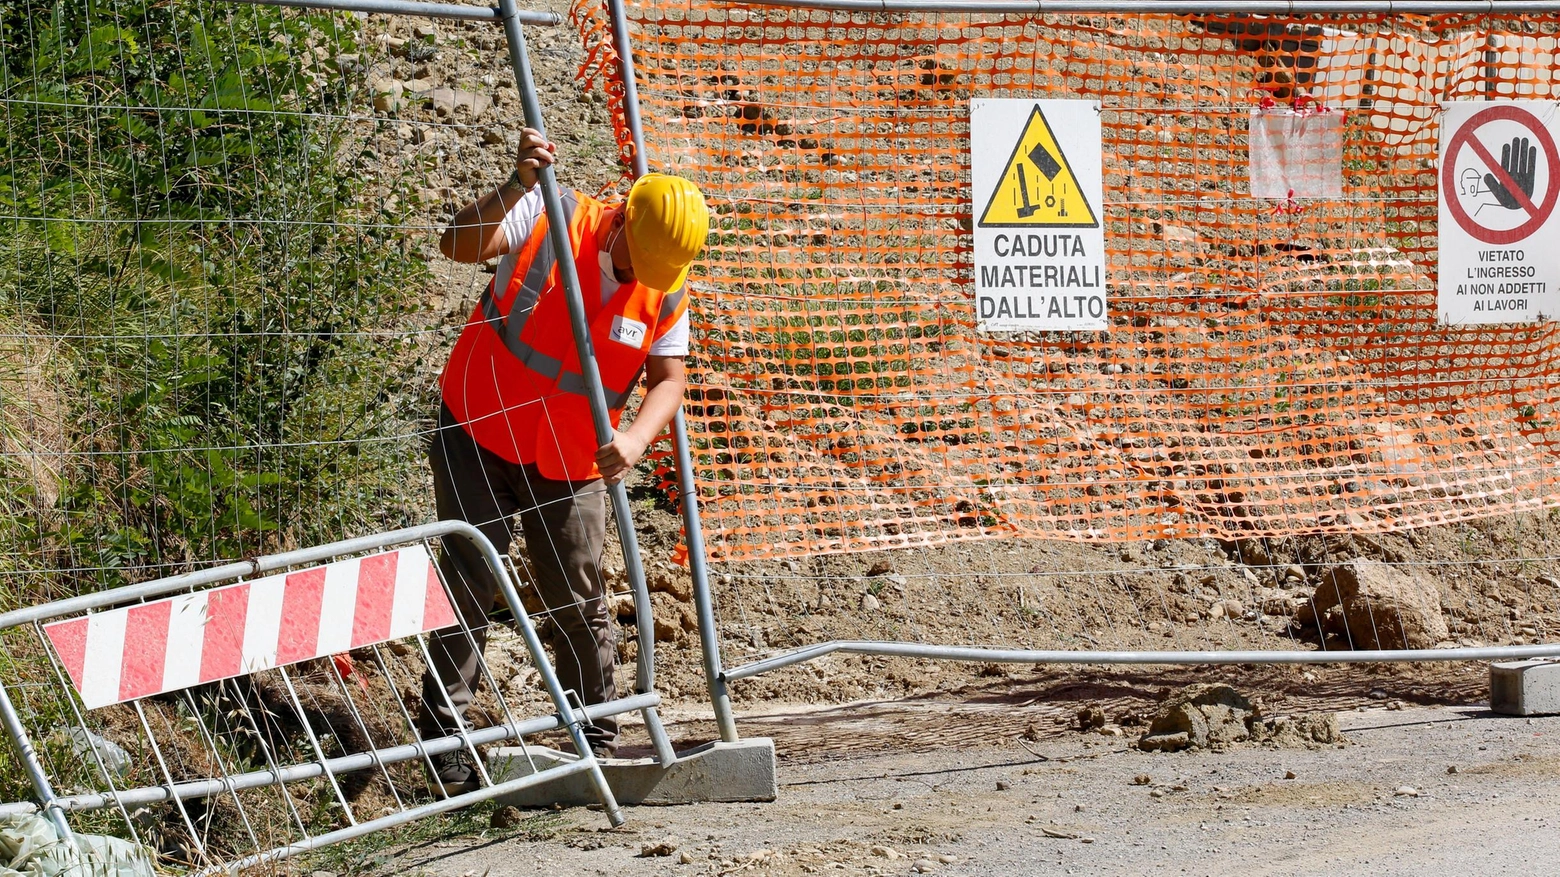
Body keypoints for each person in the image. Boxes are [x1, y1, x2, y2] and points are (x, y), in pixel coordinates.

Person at [420, 127, 709, 794]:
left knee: (579, 599)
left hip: (573, 456)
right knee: (469, 582)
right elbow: (457, 244)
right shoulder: (552, 211)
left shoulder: (668, 282)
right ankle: (445, 751)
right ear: (622, 222)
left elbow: (669, 379)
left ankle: (595, 736)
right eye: (641, 260)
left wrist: (634, 441)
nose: (646, 278)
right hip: (477, 427)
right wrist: (518, 181)